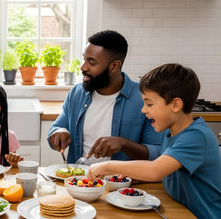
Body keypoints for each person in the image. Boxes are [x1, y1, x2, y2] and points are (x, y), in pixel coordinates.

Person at [88, 63, 221, 218]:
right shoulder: (171, 133)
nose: (143, 110)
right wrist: (137, 175)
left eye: (149, 103)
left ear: (176, 105)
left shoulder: (196, 137)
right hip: (182, 211)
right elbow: (168, 171)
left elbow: (155, 170)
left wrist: (105, 165)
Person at [48, 30, 162, 164]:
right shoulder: (76, 93)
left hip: (120, 182)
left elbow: (158, 152)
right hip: (78, 180)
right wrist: (58, 132)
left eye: (91, 62)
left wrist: (123, 144)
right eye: (84, 59)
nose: (83, 67)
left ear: (114, 66)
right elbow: (57, 128)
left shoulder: (144, 98)